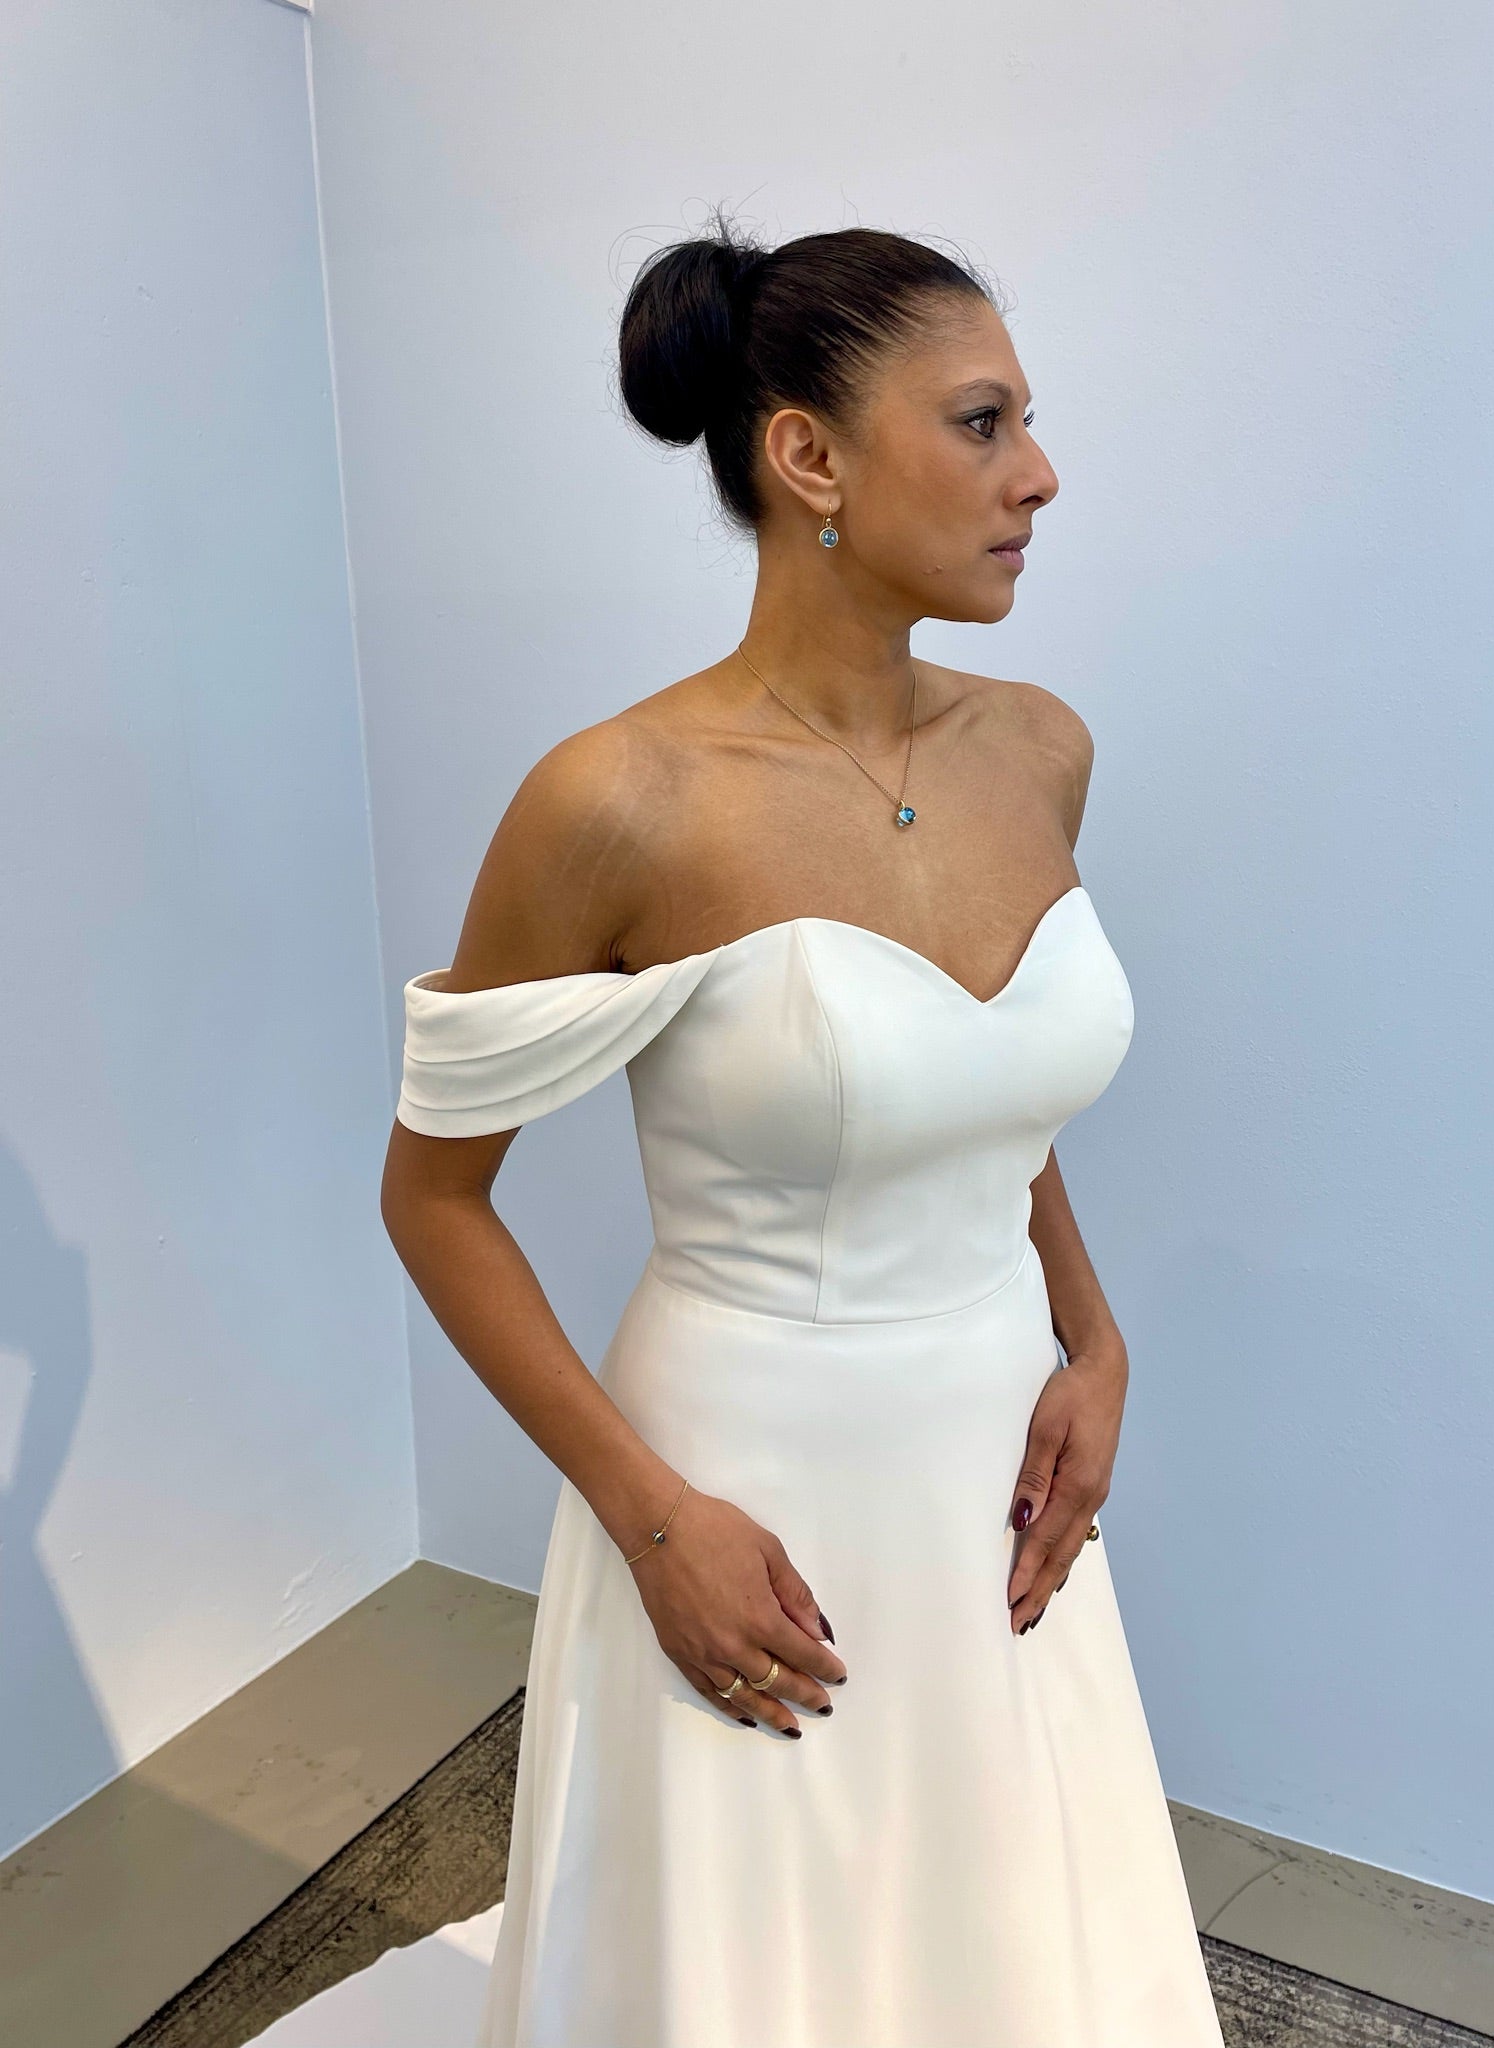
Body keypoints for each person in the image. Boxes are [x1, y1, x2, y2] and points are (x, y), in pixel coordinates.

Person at [380, 214, 1225, 2048]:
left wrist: (1090, 1340)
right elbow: (435, 1201)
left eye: (1026, 423)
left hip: (993, 1454)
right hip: (739, 1478)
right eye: (984, 423)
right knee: (755, 1958)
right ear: (807, 456)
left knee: (1000, 1934)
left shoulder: (1041, 749)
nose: (1039, 475)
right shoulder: (619, 801)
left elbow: (982, 1094)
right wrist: (651, 1521)